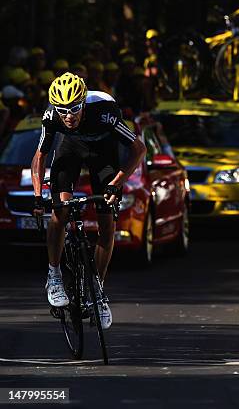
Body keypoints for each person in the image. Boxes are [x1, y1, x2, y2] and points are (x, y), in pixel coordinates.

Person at [31, 72, 146, 330]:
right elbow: (40, 157)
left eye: (74, 109)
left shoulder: (105, 112)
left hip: (103, 152)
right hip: (70, 148)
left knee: (107, 224)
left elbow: (139, 149)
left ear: (83, 103)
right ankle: (55, 275)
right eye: (63, 110)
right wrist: (38, 197)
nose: (68, 115)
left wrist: (117, 182)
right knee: (59, 212)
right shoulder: (52, 117)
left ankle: (98, 290)